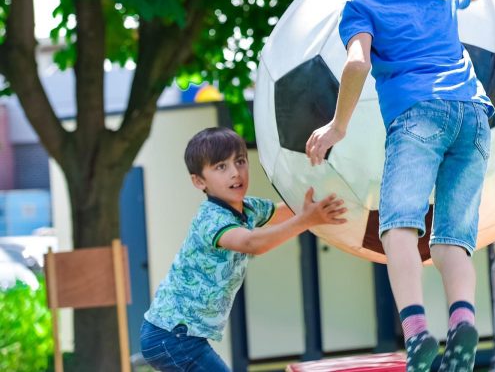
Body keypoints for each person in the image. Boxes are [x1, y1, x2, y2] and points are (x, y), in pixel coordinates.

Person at [306, 0, 493, 372]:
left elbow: (355, 65)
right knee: (452, 238)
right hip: (473, 114)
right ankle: (464, 323)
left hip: (419, 116)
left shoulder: (360, 6)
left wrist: (337, 126)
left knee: (399, 228)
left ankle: (417, 334)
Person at [141, 127, 346, 371]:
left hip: (178, 335)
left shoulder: (247, 209)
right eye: (221, 167)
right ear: (199, 181)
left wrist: (318, 201)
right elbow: (252, 243)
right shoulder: (211, 219)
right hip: (171, 335)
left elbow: (281, 212)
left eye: (240, 162)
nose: (235, 173)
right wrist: (306, 220)